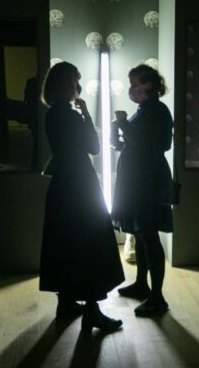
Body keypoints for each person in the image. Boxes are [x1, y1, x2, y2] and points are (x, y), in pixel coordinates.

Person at [39, 62, 124, 331]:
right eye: (75, 80)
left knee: (65, 244)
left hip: (63, 185)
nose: (78, 86)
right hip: (81, 185)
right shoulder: (72, 116)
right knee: (91, 244)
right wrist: (87, 115)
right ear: (67, 84)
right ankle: (92, 310)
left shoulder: (52, 114)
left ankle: (65, 303)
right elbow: (95, 148)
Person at [111, 64, 174, 316]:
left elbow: (154, 144)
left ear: (148, 86)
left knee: (148, 235)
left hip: (147, 181)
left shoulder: (157, 110)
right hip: (140, 179)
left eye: (135, 84)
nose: (131, 89)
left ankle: (157, 297)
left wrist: (123, 124)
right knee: (140, 233)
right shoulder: (146, 110)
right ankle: (141, 284)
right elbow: (139, 143)